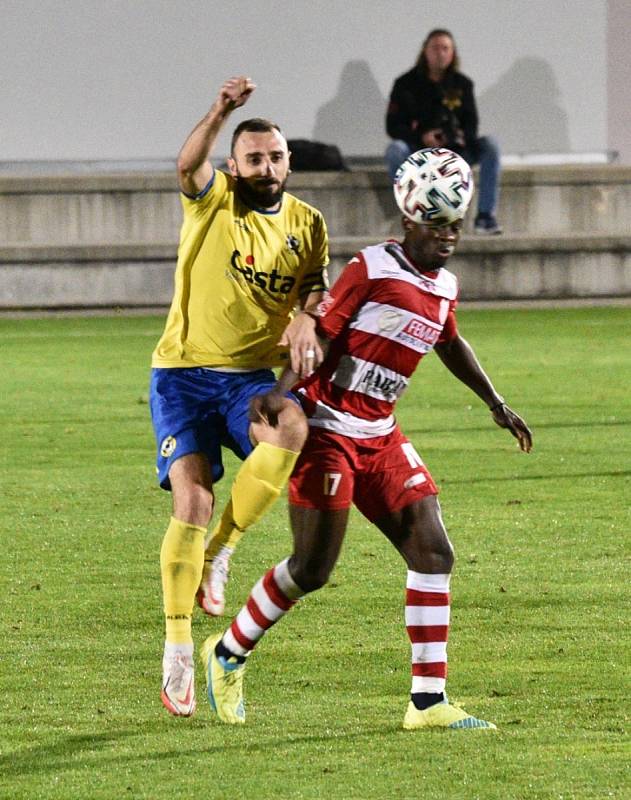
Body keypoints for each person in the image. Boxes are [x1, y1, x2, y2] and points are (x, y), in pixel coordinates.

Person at [200, 147, 532, 730]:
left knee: (433, 551)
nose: (448, 235)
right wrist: (282, 391)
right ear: (409, 221)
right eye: (437, 225)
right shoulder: (372, 268)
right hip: (327, 431)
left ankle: (427, 702)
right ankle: (227, 652)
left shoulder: (444, 285)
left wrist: (495, 402)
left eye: (454, 224)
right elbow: (317, 335)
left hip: (379, 434)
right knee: (312, 568)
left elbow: (449, 341)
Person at [150, 76, 329, 717]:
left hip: (251, 378)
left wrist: (309, 315)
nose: (266, 167)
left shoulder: (308, 224)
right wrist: (221, 110)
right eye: (253, 157)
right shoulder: (214, 199)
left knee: (292, 427)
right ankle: (177, 650)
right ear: (235, 164)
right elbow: (186, 164)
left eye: (275, 157)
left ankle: (223, 549)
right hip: (182, 373)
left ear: (288, 160)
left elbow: (314, 290)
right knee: (192, 497)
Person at [385, 28, 503, 235]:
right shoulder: (405, 84)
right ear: (425, 52)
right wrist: (422, 137)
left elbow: (472, 124)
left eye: (445, 49)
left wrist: (456, 137)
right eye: (435, 48)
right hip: (419, 150)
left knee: (491, 145)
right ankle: (417, 213)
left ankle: (485, 217)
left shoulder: (462, 84)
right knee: (395, 150)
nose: (440, 53)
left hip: (456, 151)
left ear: (453, 53)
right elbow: (393, 126)